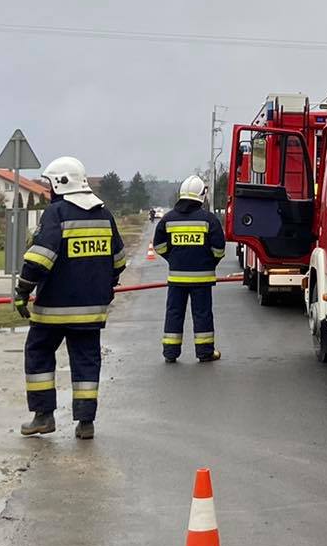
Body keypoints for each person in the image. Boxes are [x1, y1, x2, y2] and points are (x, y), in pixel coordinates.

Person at [14, 156, 126, 438]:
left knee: (39, 353)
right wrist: (107, 286)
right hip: (92, 310)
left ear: (60, 184)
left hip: (54, 308)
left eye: (49, 184)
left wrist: (22, 292)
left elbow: (40, 258)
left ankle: (43, 416)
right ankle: (86, 423)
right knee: (87, 362)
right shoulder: (104, 214)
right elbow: (119, 259)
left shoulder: (57, 213)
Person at [152, 175, 226, 363]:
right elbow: (219, 249)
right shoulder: (209, 220)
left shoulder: (168, 219)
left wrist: (173, 259)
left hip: (177, 279)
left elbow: (158, 245)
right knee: (202, 315)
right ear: (202, 195)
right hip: (202, 280)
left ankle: (170, 352)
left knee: (174, 313)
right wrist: (209, 263)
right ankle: (205, 352)